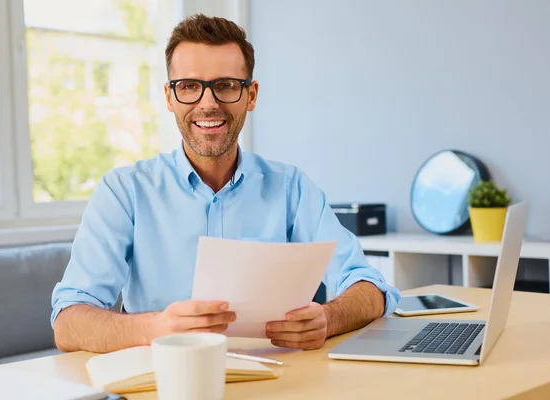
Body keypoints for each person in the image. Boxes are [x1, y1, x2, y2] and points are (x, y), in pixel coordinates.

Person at [51, 14, 400, 353]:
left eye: (226, 86)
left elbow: (372, 288)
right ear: (170, 97)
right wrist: (155, 328)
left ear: (251, 95)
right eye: (189, 86)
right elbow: (68, 322)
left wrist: (328, 317)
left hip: (280, 381)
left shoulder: (290, 187)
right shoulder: (125, 192)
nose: (208, 104)